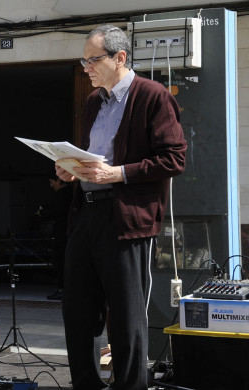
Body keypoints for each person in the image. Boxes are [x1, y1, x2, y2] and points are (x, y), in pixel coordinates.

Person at [56, 25, 186, 390]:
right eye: (84, 60)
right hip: (86, 213)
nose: (86, 67)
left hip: (126, 218)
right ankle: (85, 383)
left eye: (93, 59)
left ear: (120, 57)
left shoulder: (153, 96)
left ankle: (130, 386)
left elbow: (174, 159)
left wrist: (117, 174)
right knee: (77, 311)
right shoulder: (94, 101)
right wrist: (70, 170)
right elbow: (93, 159)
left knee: (127, 316)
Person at [36, 174, 72, 300]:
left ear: (59, 180)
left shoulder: (62, 194)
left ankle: (62, 289)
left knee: (61, 261)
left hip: (63, 233)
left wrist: (41, 213)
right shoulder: (70, 193)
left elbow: (55, 212)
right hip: (67, 231)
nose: (51, 185)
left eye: (52, 182)